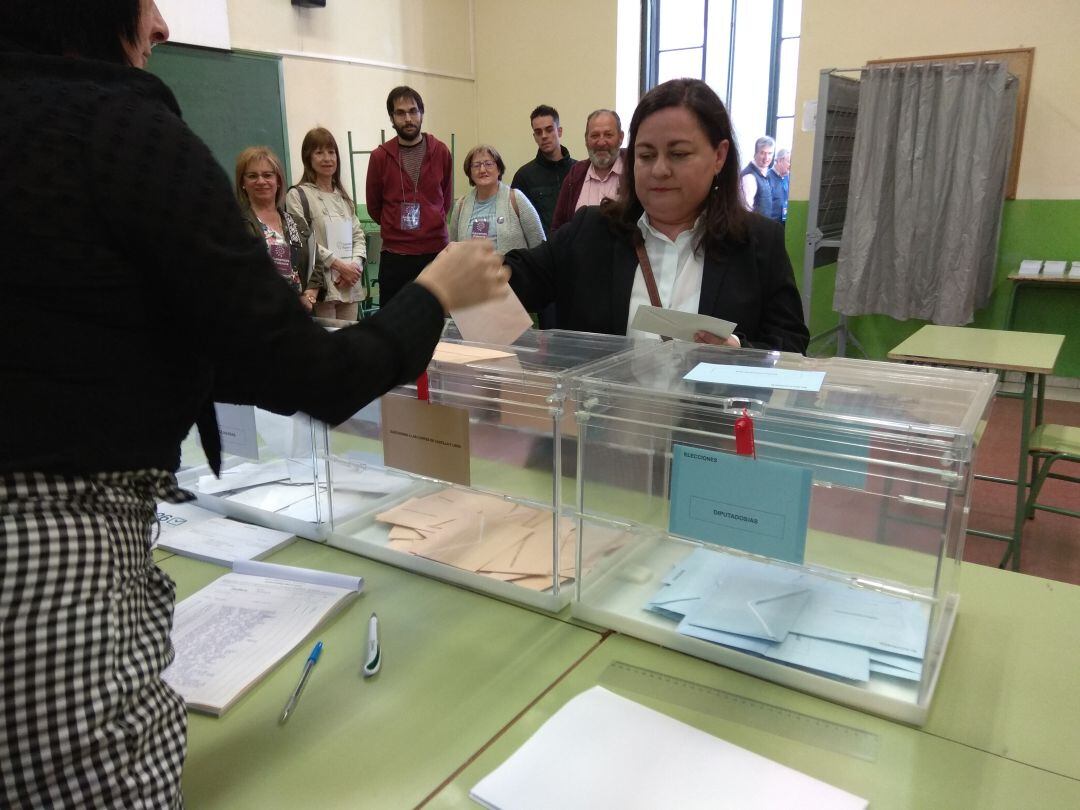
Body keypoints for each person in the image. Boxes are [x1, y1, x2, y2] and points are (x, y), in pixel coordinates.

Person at [0, 3, 510, 807]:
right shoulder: (115, 128)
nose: (163, 23)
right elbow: (310, 372)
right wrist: (436, 293)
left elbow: (120, 338)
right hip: (52, 547)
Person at [504, 79, 809, 354]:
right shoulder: (593, 231)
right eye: (646, 155)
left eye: (678, 154)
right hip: (606, 415)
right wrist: (479, 271)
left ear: (719, 156)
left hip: (710, 416)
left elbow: (791, 344)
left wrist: (739, 351)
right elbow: (520, 279)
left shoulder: (757, 243)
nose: (659, 170)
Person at [365, 86, 454, 306]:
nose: (408, 118)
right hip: (396, 256)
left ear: (422, 114)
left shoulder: (441, 151)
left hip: (436, 254)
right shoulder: (379, 157)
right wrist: (396, 226)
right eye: (401, 113)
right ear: (392, 118)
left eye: (413, 111)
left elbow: (446, 198)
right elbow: (374, 206)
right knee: (394, 326)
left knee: (437, 323)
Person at [286, 127, 367, 321]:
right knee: (325, 345)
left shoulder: (343, 198)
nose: (327, 158)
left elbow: (358, 235)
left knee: (349, 344)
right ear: (308, 158)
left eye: (331, 152)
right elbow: (305, 242)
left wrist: (354, 267)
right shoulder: (297, 195)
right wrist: (339, 265)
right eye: (319, 152)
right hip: (320, 284)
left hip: (349, 283)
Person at [236, 145, 322, 314]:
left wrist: (310, 295)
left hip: (298, 316)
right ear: (243, 183)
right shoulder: (236, 224)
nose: (261, 181)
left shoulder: (297, 223)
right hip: (256, 315)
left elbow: (316, 264)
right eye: (252, 176)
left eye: (268, 175)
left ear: (278, 181)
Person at [449, 145, 545, 253]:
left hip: (513, 268)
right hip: (472, 270)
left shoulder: (516, 199)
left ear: (498, 169)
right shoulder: (461, 206)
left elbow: (539, 244)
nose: (482, 170)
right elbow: (453, 250)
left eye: (488, 164)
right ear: (469, 173)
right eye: (476, 165)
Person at [551, 109, 627, 231]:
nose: (601, 142)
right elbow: (557, 228)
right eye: (595, 135)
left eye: (608, 135)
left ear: (621, 137)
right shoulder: (574, 176)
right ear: (586, 140)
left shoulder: (634, 174)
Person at [510, 104, 576, 237]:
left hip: (577, 250)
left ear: (560, 131)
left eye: (549, 129)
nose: (544, 136)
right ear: (534, 136)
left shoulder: (579, 171)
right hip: (543, 253)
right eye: (538, 132)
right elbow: (515, 223)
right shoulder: (524, 176)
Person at [740, 135, 781, 220]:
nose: (766, 157)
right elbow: (745, 211)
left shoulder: (764, 174)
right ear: (755, 153)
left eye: (770, 153)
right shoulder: (749, 177)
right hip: (753, 230)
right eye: (762, 153)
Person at [769, 147, 791, 224]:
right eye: (789, 161)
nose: (791, 165)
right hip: (772, 225)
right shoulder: (767, 177)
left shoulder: (788, 177)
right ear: (780, 161)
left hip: (786, 224)